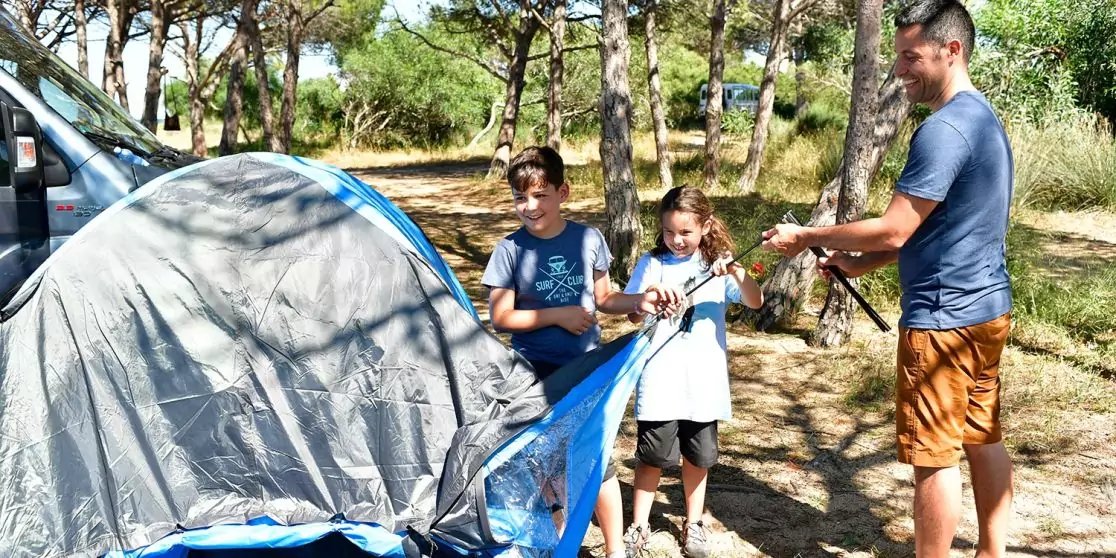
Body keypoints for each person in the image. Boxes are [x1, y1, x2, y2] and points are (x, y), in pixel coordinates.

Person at [761, 2, 1014, 557]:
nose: (899, 70)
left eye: (910, 57)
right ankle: (992, 552)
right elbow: (941, 229)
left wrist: (807, 237)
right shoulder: (983, 118)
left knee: (934, 455)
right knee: (982, 437)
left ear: (953, 51)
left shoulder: (943, 130)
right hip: (988, 309)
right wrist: (856, 264)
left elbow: (897, 229)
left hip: (944, 322)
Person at [481, 146, 681, 558]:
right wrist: (559, 315)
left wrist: (640, 301)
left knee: (597, 458)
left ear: (563, 192)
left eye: (540, 196)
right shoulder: (509, 250)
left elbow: (605, 297)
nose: (530, 207)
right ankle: (555, 542)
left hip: (585, 369)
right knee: (542, 459)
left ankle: (614, 549)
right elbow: (502, 317)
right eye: (521, 198)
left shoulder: (588, 239)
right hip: (532, 372)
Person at [621, 186, 763, 558]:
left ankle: (694, 521)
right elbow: (633, 313)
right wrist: (648, 296)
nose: (676, 240)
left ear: (705, 226)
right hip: (660, 380)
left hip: (703, 383)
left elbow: (755, 299)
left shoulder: (717, 266)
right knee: (652, 456)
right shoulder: (652, 263)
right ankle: (639, 525)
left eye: (685, 232)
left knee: (698, 457)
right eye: (669, 232)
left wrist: (735, 270)